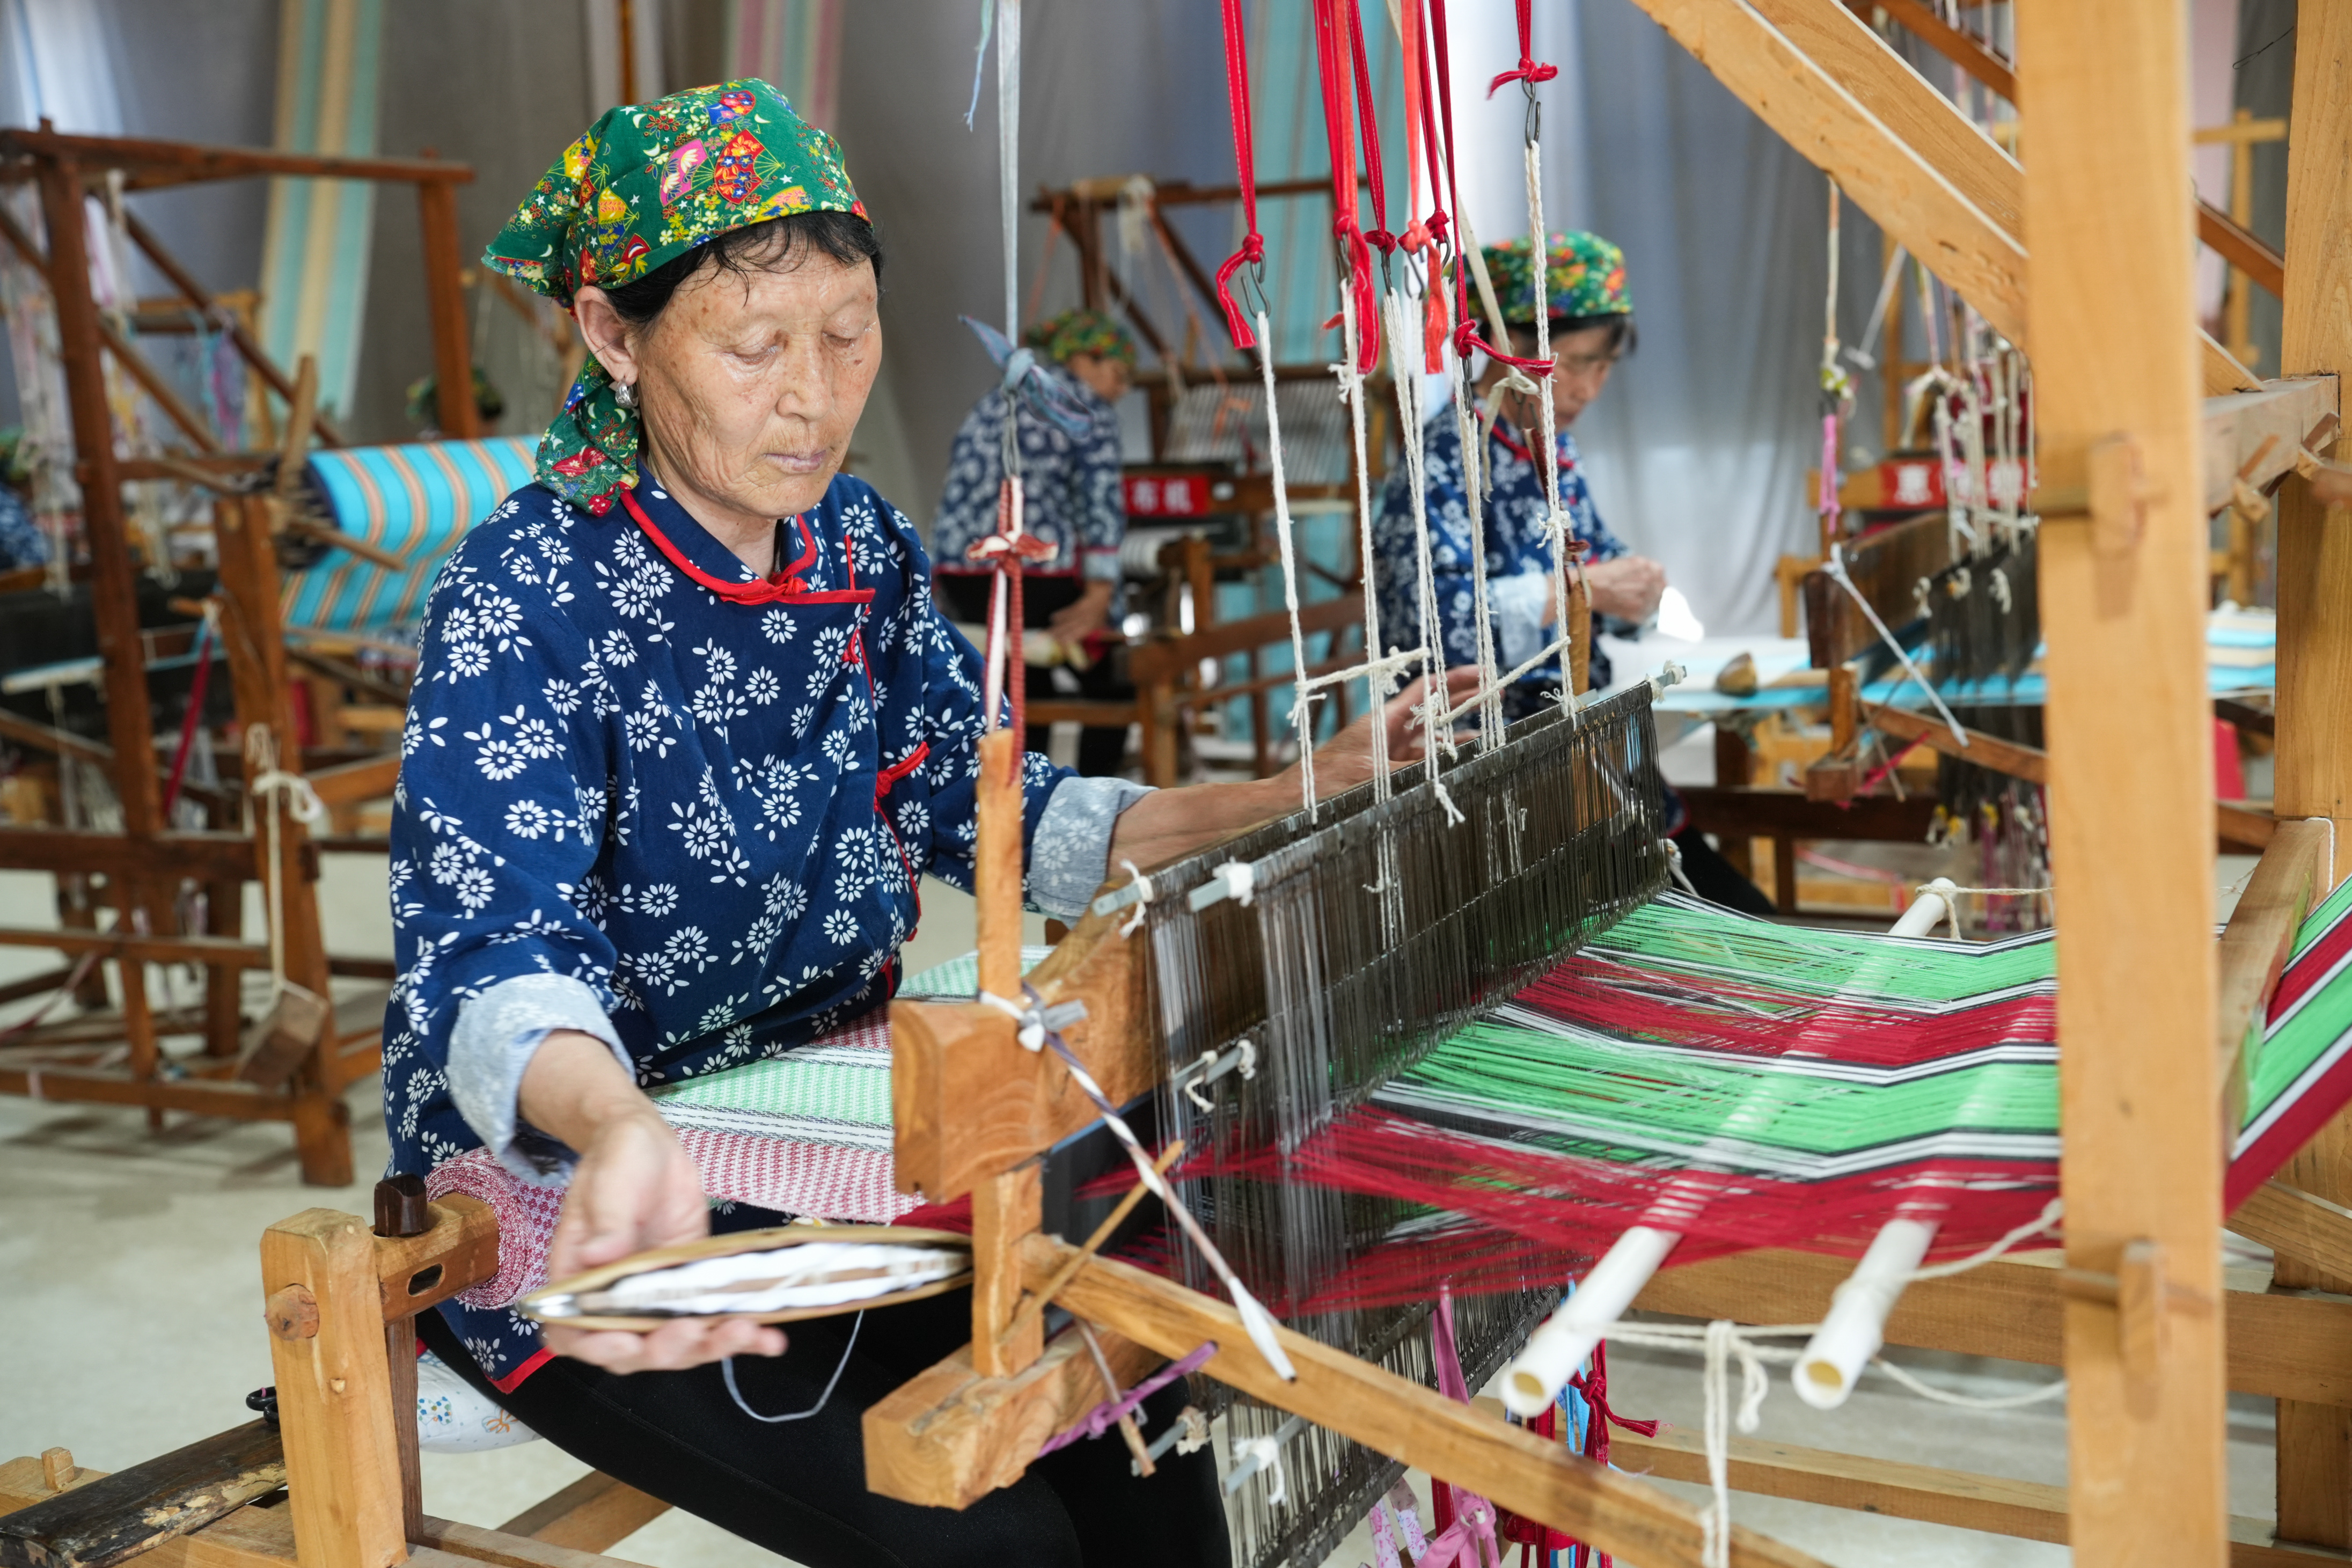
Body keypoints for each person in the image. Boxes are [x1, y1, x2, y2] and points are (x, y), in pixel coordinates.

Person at [385, 80, 1467, 1568]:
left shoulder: (860, 548)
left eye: (846, 335)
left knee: (1149, 1453)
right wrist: (619, 1124)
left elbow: (1001, 818)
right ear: (612, 336)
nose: (814, 395)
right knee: (984, 1543)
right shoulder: (524, 590)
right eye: (755, 346)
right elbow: (499, 952)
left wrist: (1292, 792)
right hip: (591, 1193)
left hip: (834, 1138)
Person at [1372, 232, 1769, 914]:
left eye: (1604, 366)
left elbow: (1596, 555)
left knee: (1743, 918)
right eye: (1576, 362)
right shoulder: (1440, 462)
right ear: (1507, 345)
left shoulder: (1552, 447)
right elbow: (1430, 636)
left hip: (1587, 757)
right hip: (1497, 779)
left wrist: (1637, 588)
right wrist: (1581, 592)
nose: (1588, 387)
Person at [932, 308, 1135, 775]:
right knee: (1116, 677)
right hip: (1033, 573)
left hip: (963, 577)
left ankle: (1025, 798)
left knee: (1027, 684)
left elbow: (954, 493)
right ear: (1085, 359)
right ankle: (1098, 798)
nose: (1121, 390)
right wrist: (1102, 594)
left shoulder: (994, 400)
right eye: (1118, 374)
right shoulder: (1080, 404)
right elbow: (1100, 501)